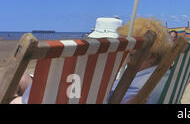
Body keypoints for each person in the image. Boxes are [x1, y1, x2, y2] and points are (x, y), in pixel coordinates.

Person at [10, 17, 173, 104]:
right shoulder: (159, 77)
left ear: (152, 56)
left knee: (15, 97)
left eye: (130, 54)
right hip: (79, 92)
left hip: (68, 97)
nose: (125, 57)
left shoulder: (137, 88)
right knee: (23, 79)